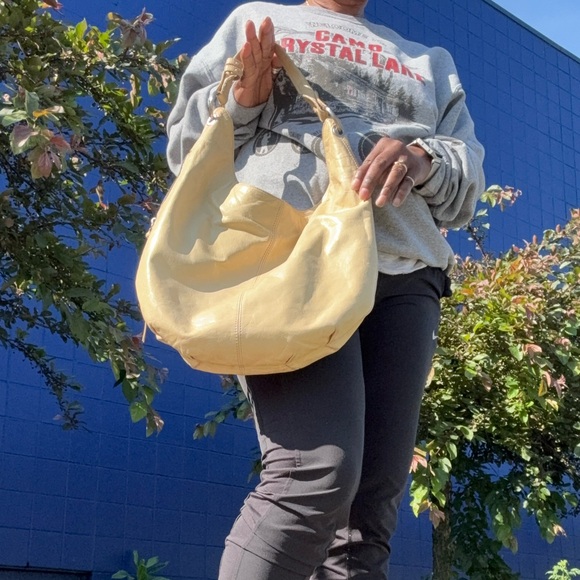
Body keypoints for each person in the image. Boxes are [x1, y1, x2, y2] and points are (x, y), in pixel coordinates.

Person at [167, 1, 485, 578]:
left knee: (369, 514)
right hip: (292, 262)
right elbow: (188, 149)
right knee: (312, 475)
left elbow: (466, 185)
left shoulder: (431, 62)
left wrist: (422, 159)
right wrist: (244, 101)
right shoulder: (256, 22)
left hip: (406, 273)